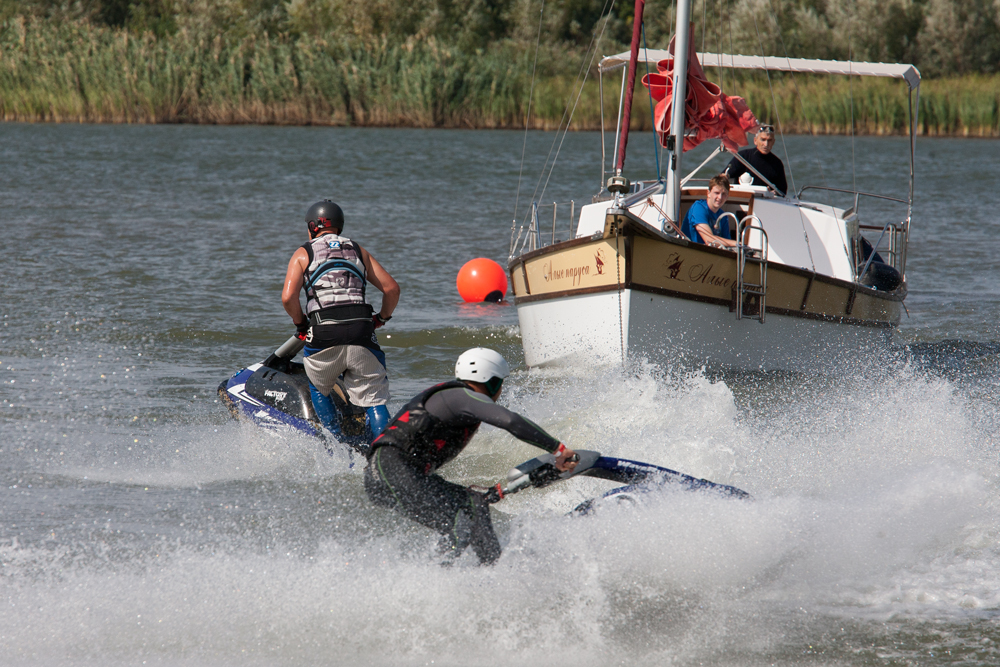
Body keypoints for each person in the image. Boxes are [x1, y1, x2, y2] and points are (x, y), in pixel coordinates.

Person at [363, 348, 578, 565]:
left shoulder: (456, 400)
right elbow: (511, 421)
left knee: (473, 505)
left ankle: (455, 573)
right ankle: (477, 572)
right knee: (467, 515)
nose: (501, 389)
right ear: (491, 381)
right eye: (500, 382)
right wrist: (559, 449)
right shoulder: (462, 397)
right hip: (392, 469)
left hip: (393, 472)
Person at [282, 200, 400, 446]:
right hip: (362, 330)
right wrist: (382, 318)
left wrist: (301, 324)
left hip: (323, 330)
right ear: (339, 226)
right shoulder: (358, 250)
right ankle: (382, 452)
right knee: (374, 399)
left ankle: (339, 445)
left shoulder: (304, 252)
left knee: (319, 385)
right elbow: (391, 289)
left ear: (313, 227)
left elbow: (287, 297)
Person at [724, 124, 787, 196]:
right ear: (755, 140)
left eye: (769, 140)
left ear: (773, 142)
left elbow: (782, 191)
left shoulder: (777, 163)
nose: (766, 144)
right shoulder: (743, 157)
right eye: (763, 140)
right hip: (742, 199)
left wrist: (773, 193)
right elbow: (723, 177)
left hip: (765, 202)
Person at [681, 174, 737, 248]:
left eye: (723, 194)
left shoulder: (723, 216)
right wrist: (737, 243)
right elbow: (709, 240)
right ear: (708, 193)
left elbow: (727, 242)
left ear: (727, 197)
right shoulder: (698, 208)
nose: (720, 197)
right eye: (716, 193)